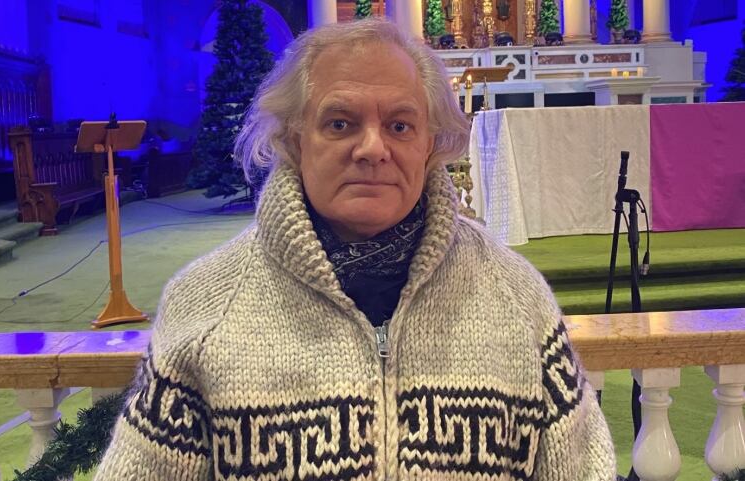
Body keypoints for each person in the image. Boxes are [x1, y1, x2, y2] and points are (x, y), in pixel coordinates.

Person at [94, 17, 615, 481]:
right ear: (295, 139)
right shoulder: (205, 301)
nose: (372, 149)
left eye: (400, 125)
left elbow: (581, 466)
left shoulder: (516, 293)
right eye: (340, 123)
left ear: (431, 143)